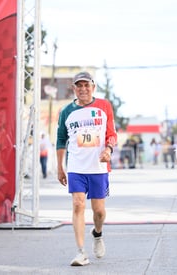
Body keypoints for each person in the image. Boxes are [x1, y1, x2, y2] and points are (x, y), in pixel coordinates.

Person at [56, 71, 117, 266]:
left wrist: (108, 149)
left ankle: (97, 233)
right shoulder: (66, 111)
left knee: (99, 212)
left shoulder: (104, 106)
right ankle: (81, 252)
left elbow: (112, 134)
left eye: (86, 85)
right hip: (76, 166)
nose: (83, 89)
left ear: (93, 87)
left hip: (98, 167)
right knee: (78, 204)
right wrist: (60, 167)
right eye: (79, 85)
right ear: (74, 88)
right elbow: (60, 140)